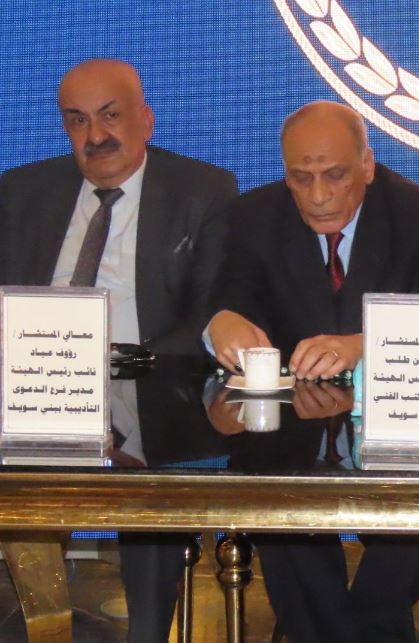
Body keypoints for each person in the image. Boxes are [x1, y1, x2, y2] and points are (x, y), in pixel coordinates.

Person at [206, 100, 419, 642]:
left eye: (335, 175)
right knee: (279, 504)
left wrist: (366, 344)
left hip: (396, 423)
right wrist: (220, 323)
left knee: (414, 511)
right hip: (288, 432)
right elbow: (229, 301)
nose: (318, 195)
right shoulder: (254, 216)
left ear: (367, 165)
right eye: (301, 178)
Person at [0, 59, 237, 643]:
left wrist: (125, 359)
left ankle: (147, 632)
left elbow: (211, 308)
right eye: (77, 120)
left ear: (146, 120)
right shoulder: (21, 191)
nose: (96, 135)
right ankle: (36, 619)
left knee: (155, 476)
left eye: (111, 116)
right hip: (38, 383)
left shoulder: (203, 190)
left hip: (151, 382)